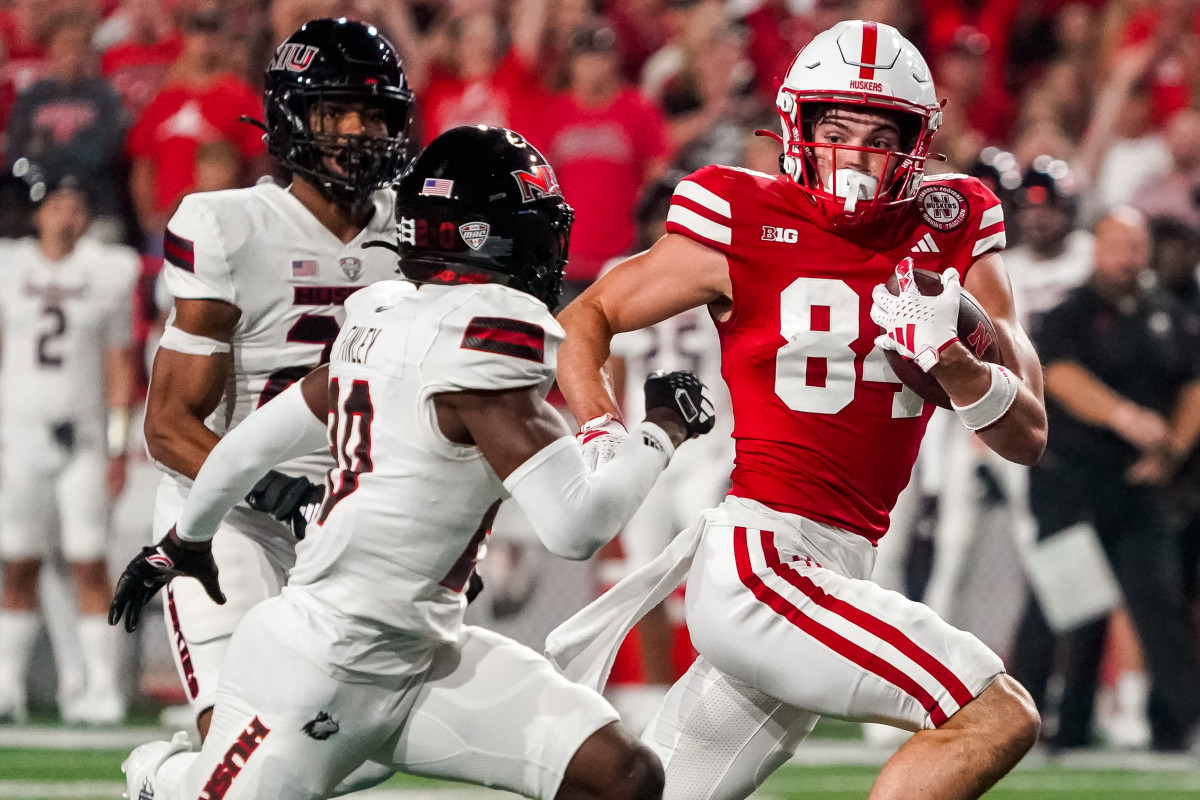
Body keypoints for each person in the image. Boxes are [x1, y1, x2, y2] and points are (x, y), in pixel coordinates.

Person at [112, 124, 715, 800]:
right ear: (492, 235)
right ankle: (160, 780)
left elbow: (248, 445)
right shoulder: (481, 348)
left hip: (428, 655)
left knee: (623, 777)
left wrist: (184, 542)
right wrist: (663, 430)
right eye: (539, 224)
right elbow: (576, 528)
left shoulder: (382, 316)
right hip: (318, 666)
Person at [546, 20, 1045, 800]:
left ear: (918, 142)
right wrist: (602, 428)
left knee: (664, 791)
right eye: (836, 129)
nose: (855, 153)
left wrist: (956, 363)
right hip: (764, 559)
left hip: (833, 562)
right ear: (797, 128)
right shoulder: (737, 211)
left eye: (881, 134)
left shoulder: (951, 221)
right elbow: (586, 317)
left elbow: (1028, 433)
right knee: (994, 712)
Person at [137, 17, 414, 745]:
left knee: (340, 751)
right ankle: (161, 782)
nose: (357, 131)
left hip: (351, 526)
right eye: (336, 111)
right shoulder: (228, 224)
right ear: (295, 117)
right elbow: (167, 426)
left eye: (374, 113)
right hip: (231, 518)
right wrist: (274, 490)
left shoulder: (414, 232)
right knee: (241, 742)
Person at [1008, 208, 1200, 752]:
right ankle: (1039, 723)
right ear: (1097, 250)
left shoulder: (1167, 314)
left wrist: (1172, 450)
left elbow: (1192, 385)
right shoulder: (1071, 311)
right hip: (1074, 481)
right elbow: (1060, 375)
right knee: (1064, 607)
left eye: (1138, 247)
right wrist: (1124, 417)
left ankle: (1179, 725)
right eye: (1120, 247)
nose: (1131, 258)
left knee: (1161, 604)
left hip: (1142, 486)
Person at [0, 176, 138, 725]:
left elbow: (119, 363)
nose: (66, 216)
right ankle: (8, 685)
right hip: (20, 432)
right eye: (57, 205)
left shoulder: (106, 270)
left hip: (80, 434)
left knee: (88, 559)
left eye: (76, 206)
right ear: (37, 215)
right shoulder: (11, 265)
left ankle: (100, 687)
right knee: (18, 562)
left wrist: (117, 444)